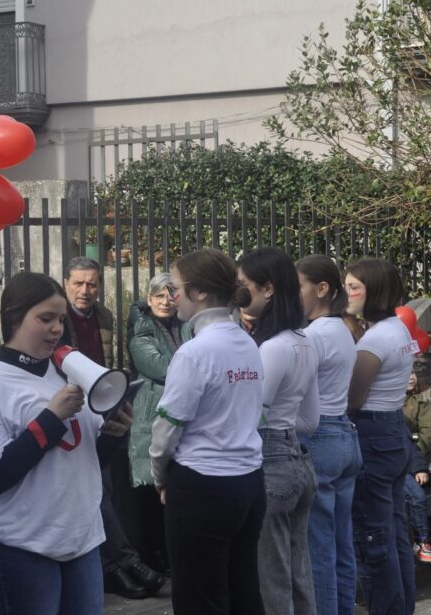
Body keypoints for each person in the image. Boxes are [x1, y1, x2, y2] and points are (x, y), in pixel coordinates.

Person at [0, 272, 133, 615]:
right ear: (13, 318)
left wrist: (114, 435)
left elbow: (85, 459)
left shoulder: (69, 372)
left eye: (60, 319)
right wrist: (49, 419)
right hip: (20, 544)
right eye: (45, 319)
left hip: (82, 539)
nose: (57, 328)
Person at [150, 248, 266, 615]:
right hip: (248, 482)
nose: (172, 296)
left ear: (199, 293)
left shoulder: (195, 352)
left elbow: (167, 427)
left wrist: (159, 475)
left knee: (199, 598)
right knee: (244, 590)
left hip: (203, 486)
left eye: (176, 287)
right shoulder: (247, 343)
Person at [63, 256, 163, 598]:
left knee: (104, 487)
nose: (85, 290)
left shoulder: (104, 316)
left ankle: (115, 565)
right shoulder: (60, 319)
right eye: (78, 283)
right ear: (65, 284)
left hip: (103, 408)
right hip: (72, 411)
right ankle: (122, 563)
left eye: (92, 283)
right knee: (97, 488)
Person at [237, 247, 319, 615]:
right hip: (298, 462)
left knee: (272, 577)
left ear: (267, 289)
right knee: (298, 571)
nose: (238, 295)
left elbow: (253, 415)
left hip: (272, 464)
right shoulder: (304, 342)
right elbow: (310, 420)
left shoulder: (271, 348)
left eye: (244, 286)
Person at [345, 258, 416, 614]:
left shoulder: (375, 339)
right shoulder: (396, 328)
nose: (348, 293)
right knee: (393, 531)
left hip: (373, 432)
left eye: (354, 287)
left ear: (374, 291)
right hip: (392, 429)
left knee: (375, 536)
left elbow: (352, 399)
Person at [295, 254, 361, 615]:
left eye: (298, 287)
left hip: (319, 438)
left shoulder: (313, 335)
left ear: (321, 289)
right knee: (339, 544)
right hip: (343, 436)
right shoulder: (339, 329)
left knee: (319, 549)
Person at [126, 271, 190, 571]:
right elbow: (157, 366)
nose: (166, 301)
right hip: (150, 416)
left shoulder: (186, 325)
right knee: (150, 493)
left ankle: (168, 554)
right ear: (149, 299)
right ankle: (151, 556)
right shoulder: (142, 331)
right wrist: (193, 363)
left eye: (171, 295)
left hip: (181, 417)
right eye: (159, 296)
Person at [402, 367, 431, 564]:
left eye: (413, 372)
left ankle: (423, 541)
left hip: (412, 460)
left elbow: (425, 435)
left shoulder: (420, 400)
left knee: (416, 496)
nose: (411, 377)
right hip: (392, 463)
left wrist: (419, 466)